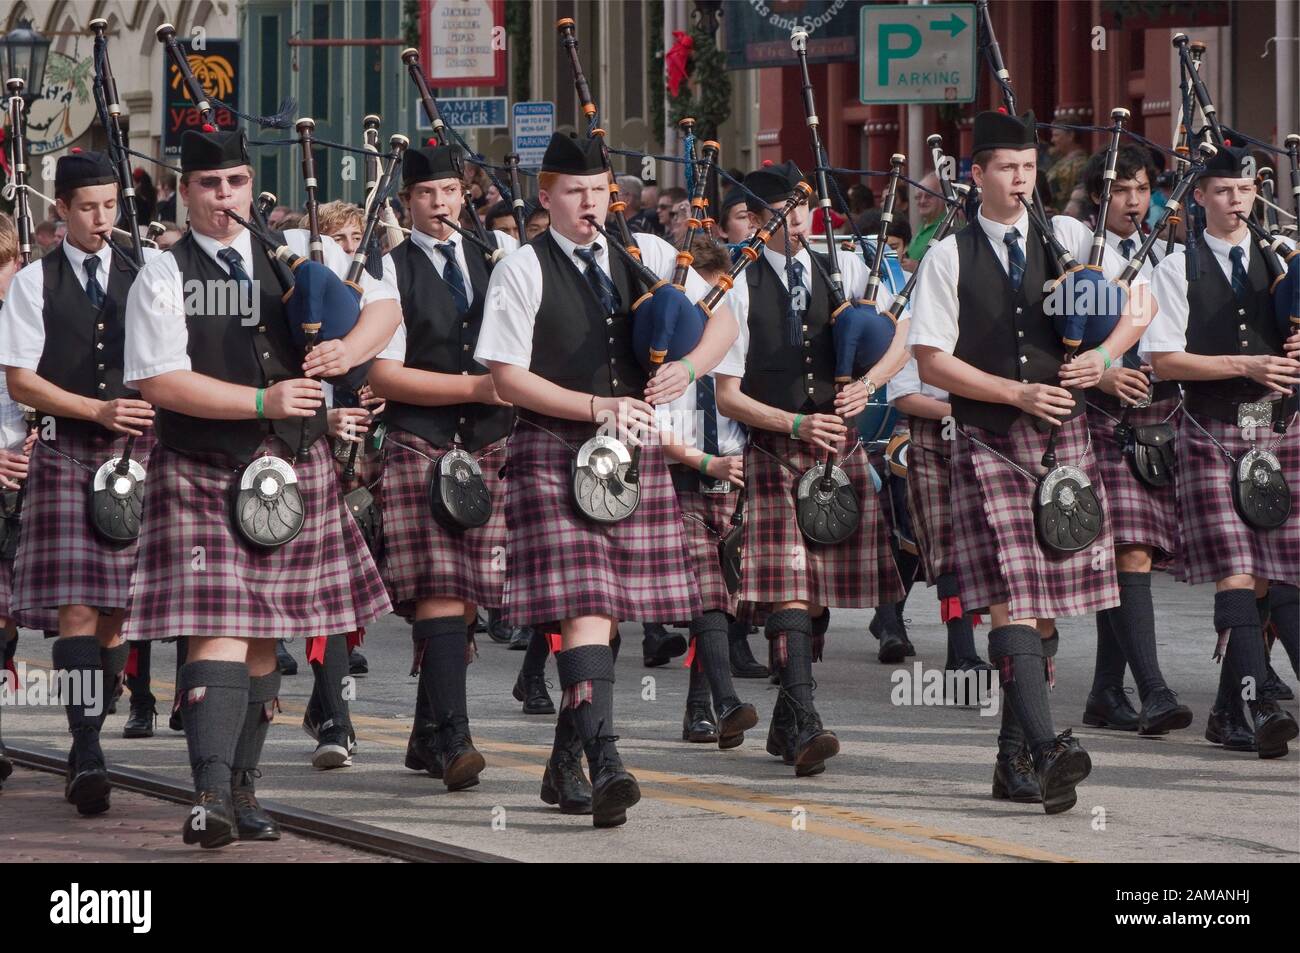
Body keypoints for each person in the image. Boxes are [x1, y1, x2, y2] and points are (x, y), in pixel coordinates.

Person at [121, 128, 400, 848]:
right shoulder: (162, 271)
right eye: (210, 185)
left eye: (237, 182)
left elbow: (385, 308)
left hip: (292, 469)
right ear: (185, 191)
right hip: (206, 463)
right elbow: (157, 379)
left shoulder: (299, 255)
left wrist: (349, 348)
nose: (225, 197)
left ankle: (244, 788)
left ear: (253, 185)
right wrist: (260, 402)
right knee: (220, 626)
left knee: (264, 638)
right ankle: (209, 793)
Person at [475, 131, 737, 827]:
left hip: (631, 458)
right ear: (547, 196)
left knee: (607, 614)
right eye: (574, 191)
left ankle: (567, 761)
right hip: (554, 449)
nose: (589, 202)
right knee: (589, 603)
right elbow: (506, 377)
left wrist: (692, 366)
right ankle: (609, 758)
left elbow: (722, 317)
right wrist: (595, 404)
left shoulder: (649, 254)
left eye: (598, 190)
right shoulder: (521, 269)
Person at [910, 110, 1151, 813]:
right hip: (988, 441)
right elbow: (930, 359)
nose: (1020, 181)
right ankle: (1046, 751)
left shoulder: (1070, 237)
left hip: (1062, 444)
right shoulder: (948, 255)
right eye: (1006, 169)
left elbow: (1138, 300)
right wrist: (1014, 389)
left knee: (1043, 612)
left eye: (1027, 168)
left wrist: (1102, 362)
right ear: (975, 175)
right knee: (1010, 600)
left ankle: (1012, 756)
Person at [714, 160, 910, 777]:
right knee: (792, 586)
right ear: (753, 220)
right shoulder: (737, 285)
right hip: (777, 447)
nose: (794, 220)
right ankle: (803, 719)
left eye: (801, 207)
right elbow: (727, 393)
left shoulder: (842, 265)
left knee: (815, 595)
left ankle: (784, 722)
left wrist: (870, 385)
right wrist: (794, 423)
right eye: (779, 211)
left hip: (838, 447)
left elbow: (902, 330)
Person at [0, 151, 160, 817]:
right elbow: (20, 379)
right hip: (68, 451)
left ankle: (98, 693)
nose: (101, 219)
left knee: (118, 610)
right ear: (60, 210)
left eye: (110, 206)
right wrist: (94, 408)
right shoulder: (32, 285)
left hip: (137, 454)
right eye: (87, 207)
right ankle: (85, 747)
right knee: (78, 607)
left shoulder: (148, 275)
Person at [368, 143, 520, 791]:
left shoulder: (500, 261)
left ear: (465, 196)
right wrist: (475, 390)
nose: (439, 205)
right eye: (426, 195)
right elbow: (383, 375)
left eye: (449, 192)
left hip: (488, 445)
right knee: (439, 588)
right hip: (418, 440)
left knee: (465, 599)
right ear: (407, 204)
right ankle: (454, 735)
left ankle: (426, 733)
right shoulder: (386, 271)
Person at [1146, 143, 1299, 759]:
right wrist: (1244, 363)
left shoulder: (1284, 261)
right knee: (1237, 567)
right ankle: (1252, 703)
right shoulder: (1175, 268)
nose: (1235, 202)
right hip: (1212, 426)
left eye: (1244, 190)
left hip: (1279, 425)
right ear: (1200, 197)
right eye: (1222, 191)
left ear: (1255, 191)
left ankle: (1227, 708)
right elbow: (1163, 360)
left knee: (1266, 571)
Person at [1077, 144, 1194, 737]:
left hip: (1159, 411)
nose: (1132, 200)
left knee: (1130, 551)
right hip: (1099, 411)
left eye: (1142, 188)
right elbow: (1057, 340)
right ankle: (1153, 690)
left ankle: (1104, 691)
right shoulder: (1075, 248)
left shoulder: (1167, 255)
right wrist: (1101, 372)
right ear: (1099, 194)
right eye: (1120, 188)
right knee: (1130, 550)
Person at [657, 236, 758, 747]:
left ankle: (700, 710)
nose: (717, 304)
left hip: (733, 471)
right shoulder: (664, 331)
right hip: (683, 470)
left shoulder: (732, 326)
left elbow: (740, 402)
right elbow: (651, 422)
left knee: (724, 594)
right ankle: (725, 701)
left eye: (723, 293)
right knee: (706, 593)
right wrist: (703, 459)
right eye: (710, 295)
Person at [1046, 125, 1089, 214]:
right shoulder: (1059, 161)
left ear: (1070, 136)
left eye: (1056, 135)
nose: (1052, 140)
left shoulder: (1081, 163)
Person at [906, 172, 945, 264]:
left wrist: (916, 267)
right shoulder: (924, 225)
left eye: (928, 196)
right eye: (918, 197)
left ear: (942, 197)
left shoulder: (949, 226)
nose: (922, 201)